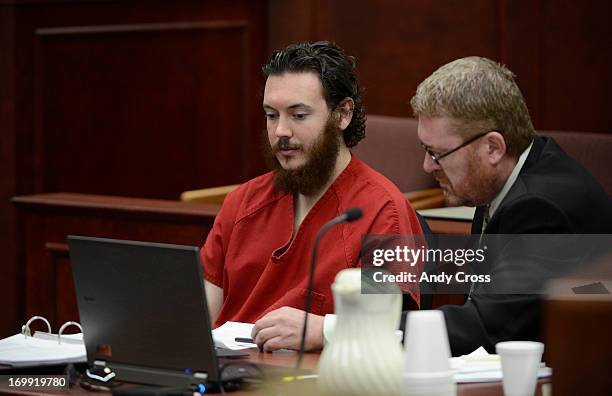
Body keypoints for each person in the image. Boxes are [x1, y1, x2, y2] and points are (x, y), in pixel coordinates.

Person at [201, 41, 423, 351]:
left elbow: (387, 325)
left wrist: (321, 331)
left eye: (299, 115)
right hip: (227, 376)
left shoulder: (382, 209)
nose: (280, 131)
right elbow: (198, 317)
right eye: (271, 115)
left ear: (342, 114)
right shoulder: (242, 201)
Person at [407, 56, 612, 356]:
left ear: (493, 148)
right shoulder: (503, 177)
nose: (427, 166)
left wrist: (359, 329)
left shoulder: (540, 207)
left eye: (437, 154)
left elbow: (487, 325)